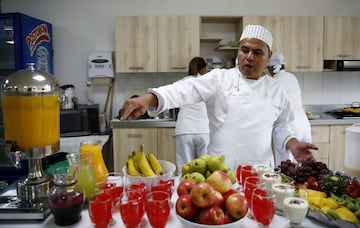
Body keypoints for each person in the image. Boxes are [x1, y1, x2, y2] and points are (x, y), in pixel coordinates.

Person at [120, 24, 318, 169]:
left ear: (268, 56)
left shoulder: (276, 90)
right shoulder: (220, 79)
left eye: (257, 52)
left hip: (260, 173)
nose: (249, 57)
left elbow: (281, 125)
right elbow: (185, 89)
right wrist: (148, 99)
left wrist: (292, 143)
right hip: (221, 172)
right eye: (244, 50)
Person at [267, 52, 312, 165]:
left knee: (287, 167)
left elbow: (274, 110)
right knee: (305, 164)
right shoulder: (292, 77)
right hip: (303, 124)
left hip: (289, 127)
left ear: (270, 68)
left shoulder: (274, 83)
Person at [175, 57, 210, 173]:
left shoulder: (181, 82)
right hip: (203, 129)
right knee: (204, 167)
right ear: (203, 69)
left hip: (185, 129)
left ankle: (183, 189)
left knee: (184, 168)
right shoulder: (207, 83)